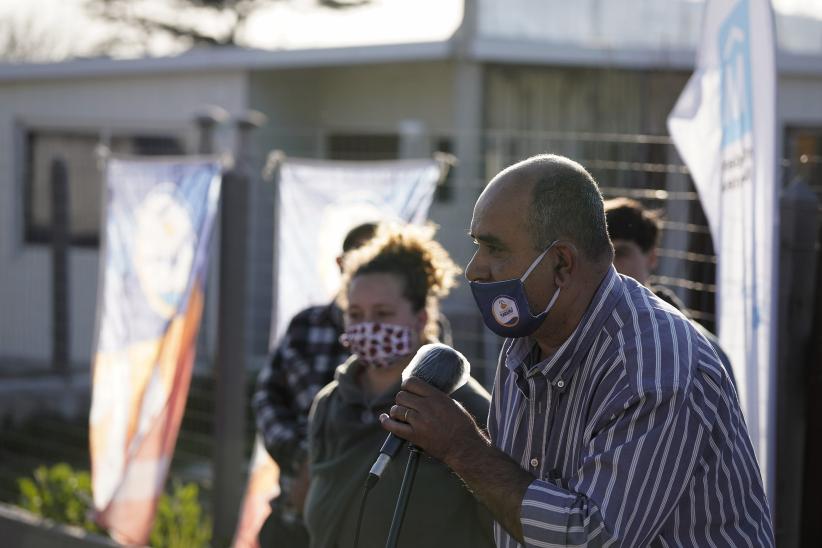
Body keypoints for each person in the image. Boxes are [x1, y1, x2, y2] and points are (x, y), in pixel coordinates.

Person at [380, 154, 774, 547]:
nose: (474, 269)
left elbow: (591, 538)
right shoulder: (525, 339)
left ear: (562, 264)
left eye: (494, 248)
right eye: (477, 246)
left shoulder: (655, 364)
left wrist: (462, 447)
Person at [303, 224, 494, 548]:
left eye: (383, 313)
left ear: (421, 318)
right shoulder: (330, 403)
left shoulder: (465, 407)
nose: (367, 327)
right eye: (355, 313)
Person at [252, 222, 378, 547]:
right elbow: (268, 397)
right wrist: (301, 459)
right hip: (294, 509)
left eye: (379, 260)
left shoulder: (406, 335)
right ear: (340, 264)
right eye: (360, 259)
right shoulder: (306, 325)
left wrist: (321, 465)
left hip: (365, 521)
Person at [604, 197, 736, 385]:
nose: (609, 266)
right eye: (601, 255)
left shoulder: (704, 352)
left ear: (651, 257)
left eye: (621, 253)